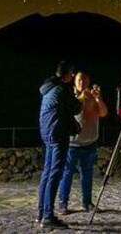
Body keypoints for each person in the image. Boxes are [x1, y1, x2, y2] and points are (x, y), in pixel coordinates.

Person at [37, 61, 82, 229]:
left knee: (47, 173)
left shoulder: (49, 88)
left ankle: (41, 213)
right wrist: (76, 95)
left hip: (48, 133)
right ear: (66, 74)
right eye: (71, 73)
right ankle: (48, 217)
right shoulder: (61, 89)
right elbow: (77, 108)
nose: (72, 76)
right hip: (58, 134)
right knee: (55, 174)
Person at [57, 71, 108, 214]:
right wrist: (81, 98)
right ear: (74, 81)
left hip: (90, 143)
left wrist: (98, 99)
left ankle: (87, 203)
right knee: (67, 174)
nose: (82, 82)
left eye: (85, 79)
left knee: (87, 174)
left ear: (89, 81)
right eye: (79, 79)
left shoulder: (93, 96)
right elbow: (72, 112)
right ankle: (63, 203)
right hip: (72, 144)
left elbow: (103, 113)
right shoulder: (70, 96)